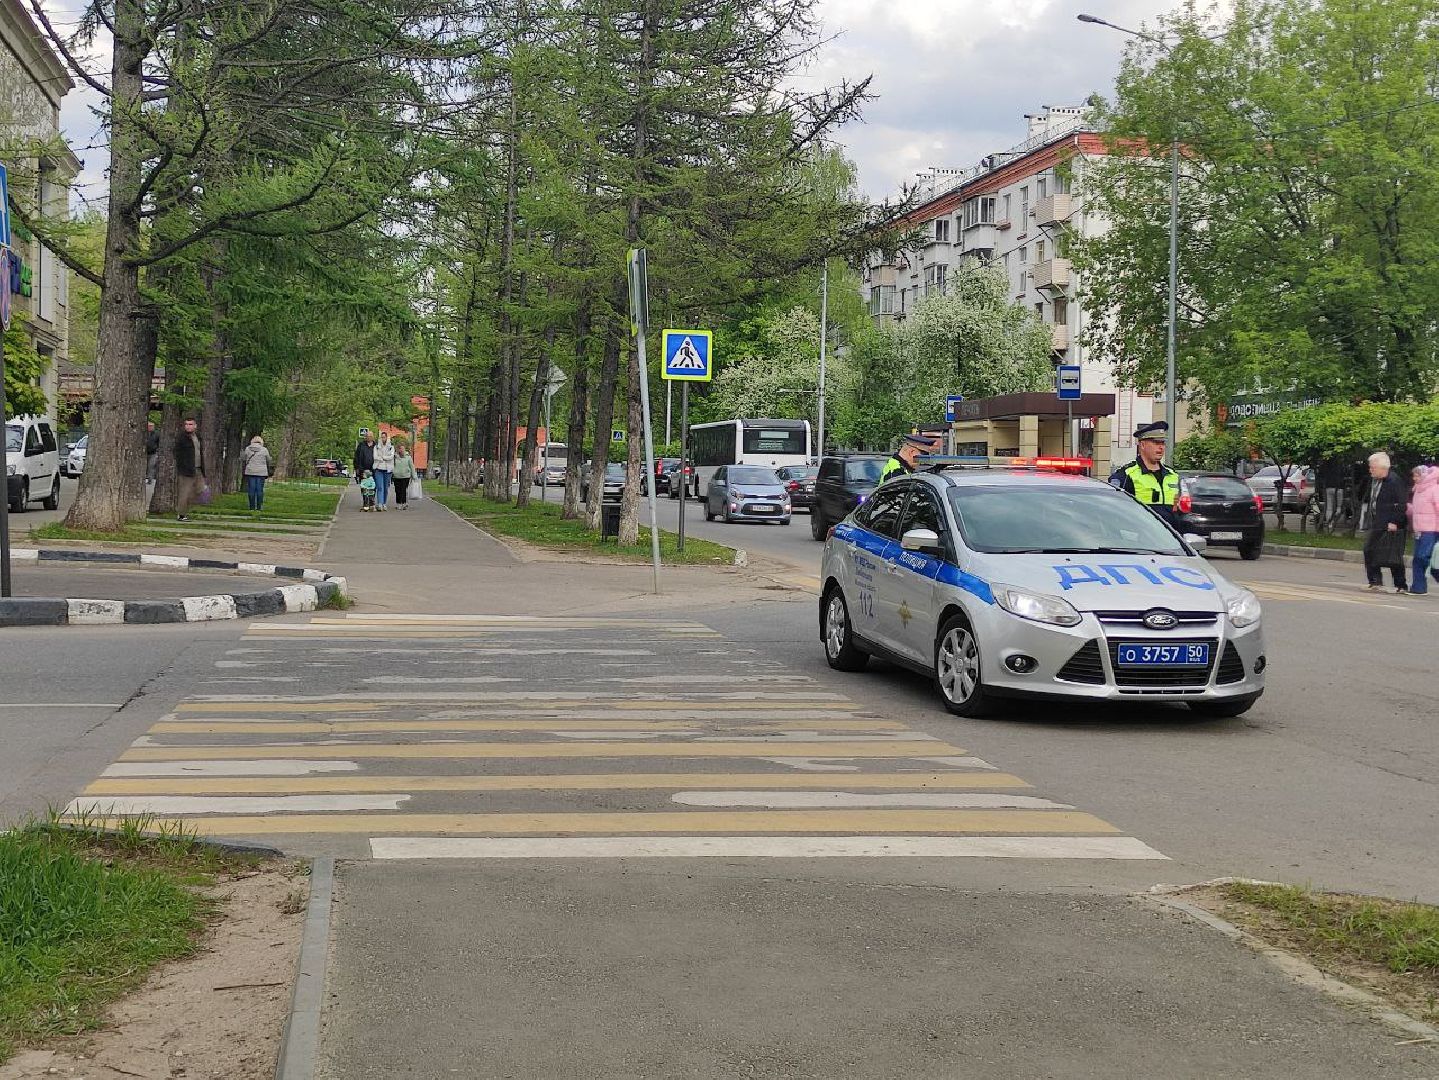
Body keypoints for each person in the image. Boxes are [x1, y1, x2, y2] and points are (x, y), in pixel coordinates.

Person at [1109, 420, 1180, 528]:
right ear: (1142, 445)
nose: (1161, 447)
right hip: (1142, 539)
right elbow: (1116, 512)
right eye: (1156, 443)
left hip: (1170, 540)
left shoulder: (1173, 475)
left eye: (1163, 443)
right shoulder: (1127, 475)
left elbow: (1180, 512)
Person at [1361, 451, 1408, 593]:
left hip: (1391, 524)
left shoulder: (1394, 481)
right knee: (1369, 550)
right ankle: (1375, 581)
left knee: (1392, 554)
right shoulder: (1376, 480)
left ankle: (1401, 585)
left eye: (1372, 467)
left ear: (1383, 467)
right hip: (1377, 522)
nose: (1370, 470)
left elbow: (1402, 504)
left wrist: (1394, 521)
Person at [1406, 464, 1439, 596]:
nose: (1414, 478)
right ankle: (1418, 588)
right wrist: (1408, 509)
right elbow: (1418, 510)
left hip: (1431, 530)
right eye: (1414, 475)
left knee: (1424, 558)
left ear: (1425, 476)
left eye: (1417, 475)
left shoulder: (1434, 489)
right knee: (1419, 559)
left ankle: (1418, 587)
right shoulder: (1418, 490)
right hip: (1420, 529)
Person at [173, 417, 206, 521]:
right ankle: (181, 514)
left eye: (190, 424)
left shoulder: (197, 437)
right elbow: (176, 452)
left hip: (198, 468)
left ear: (195, 426)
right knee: (184, 492)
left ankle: (185, 508)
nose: (188, 426)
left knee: (200, 489)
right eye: (186, 424)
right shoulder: (182, 437)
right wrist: (183, 465)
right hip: (186, 470)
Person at [240, 435, 274, 511]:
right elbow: (269, 460)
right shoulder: (264, 450)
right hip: (261, 473)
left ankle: (251, 507)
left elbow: (243, 459)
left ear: (252, 441)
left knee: (251, 489)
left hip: (250, 471)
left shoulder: (248, 449)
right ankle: (259, 507)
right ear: (261, 442)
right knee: (259, 490)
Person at [371, 430, 396, 511]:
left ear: (387, 438)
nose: (383, 439)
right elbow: (375, 457)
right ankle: (380, 504)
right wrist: (383, 458)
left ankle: (384, 503)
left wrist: (383, 457)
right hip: (378, 469)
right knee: (379, 487)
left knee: (385, 488)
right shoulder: (376, 447)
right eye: (381, 437)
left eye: (384, 437)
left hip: (388, 470)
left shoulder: (391, 447)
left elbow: (391, 457)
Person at [391, 442, 416, 509]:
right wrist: (393, 472)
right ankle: (398, 503)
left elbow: (412, 467)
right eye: (400, 449)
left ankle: (404, 503)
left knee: (403, 490)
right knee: (397, 490)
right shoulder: (394, 457)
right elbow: (392, 466)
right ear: (398, 450)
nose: (401, 450)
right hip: (396, 476)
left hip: (405, 476)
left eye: (402, 448)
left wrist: (414, 476)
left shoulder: (408, 457)